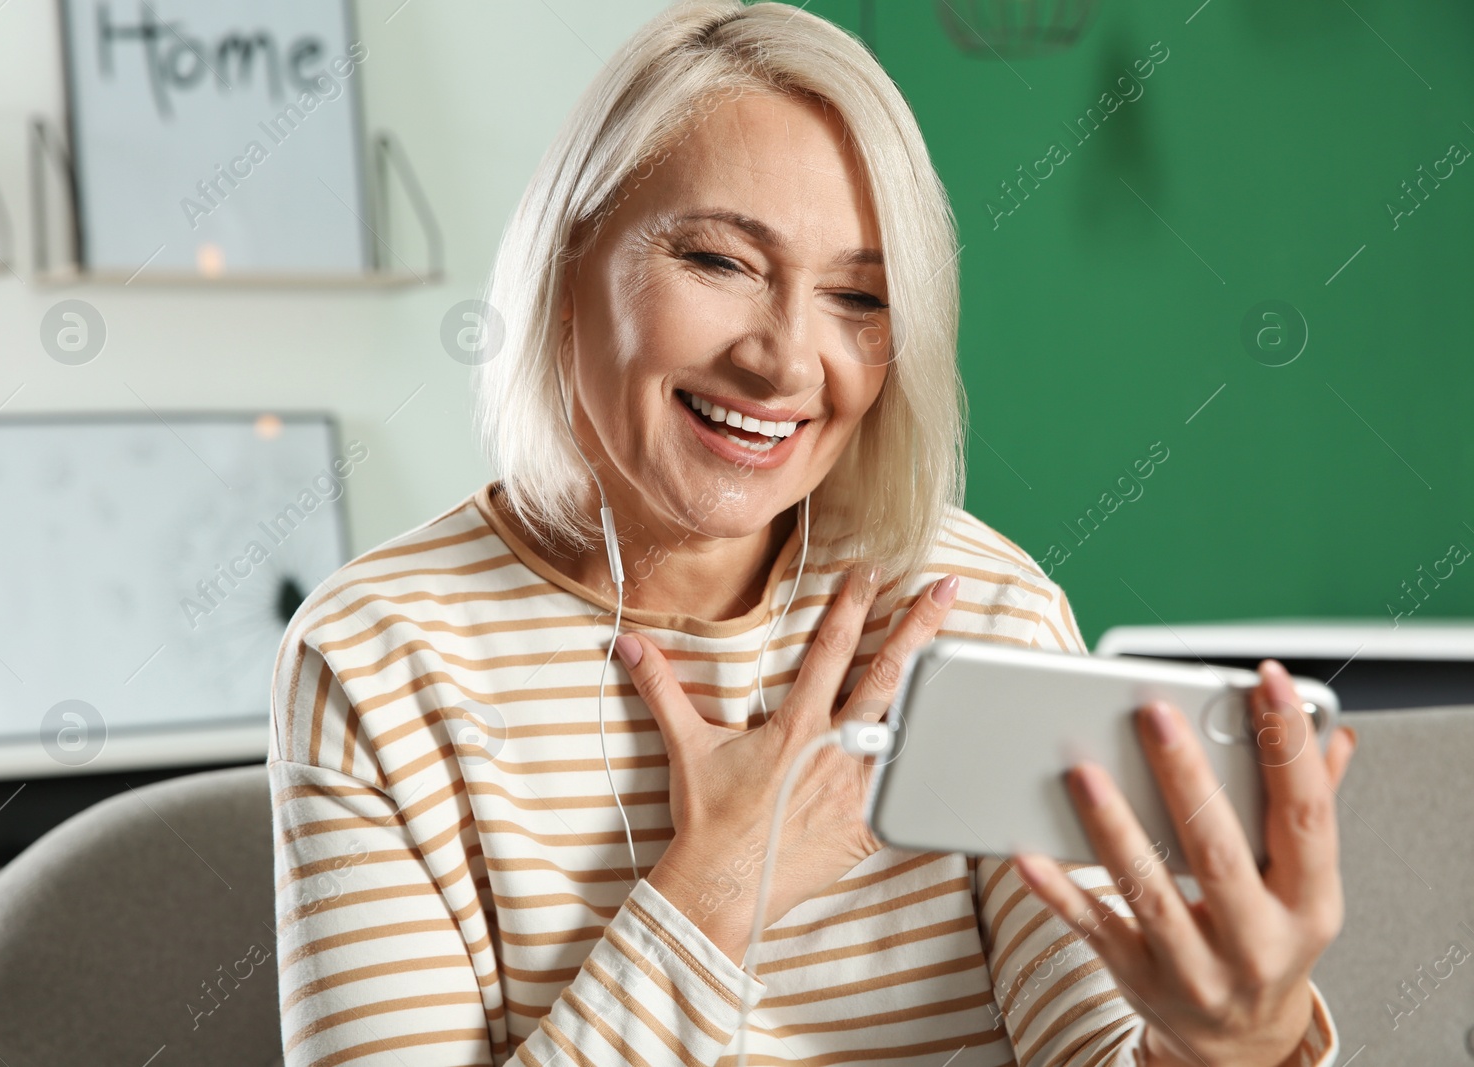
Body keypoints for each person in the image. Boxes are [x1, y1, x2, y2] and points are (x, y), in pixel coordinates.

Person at [268, 3, 1356, 1064]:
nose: (786, 362)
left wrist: (1229, 1043)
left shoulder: (973, 610)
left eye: (858, 298)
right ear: (570, 260)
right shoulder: (374, 656)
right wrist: (718, 882)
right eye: (719, 261)